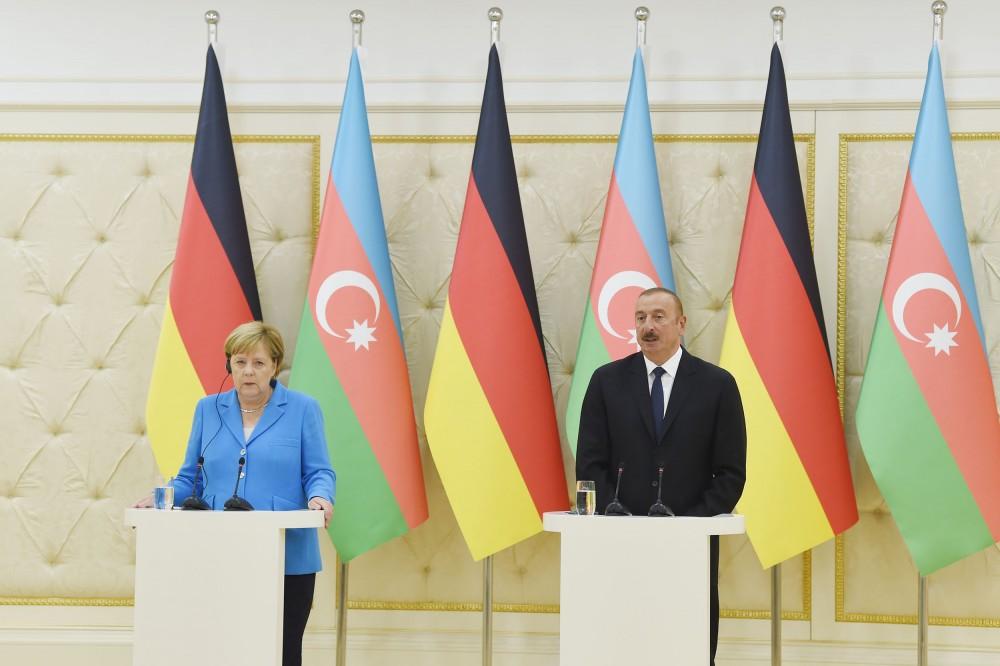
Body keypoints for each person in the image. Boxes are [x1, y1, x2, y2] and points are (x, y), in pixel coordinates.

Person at [135, 321, 335, 666]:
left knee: (282, 651)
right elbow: (190, 479)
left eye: (258, 363)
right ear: (229, 365)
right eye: (240, 362)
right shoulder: (207, 409)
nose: (248, 372)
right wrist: (162, 496)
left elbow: (319, 471)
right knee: (221, 648)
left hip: (286, 556)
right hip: (218, 551)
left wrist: (320, 496)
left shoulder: (303, 409)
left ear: (275, 366)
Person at [575, 287, 746, 664]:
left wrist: (688, 523)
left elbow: (731, 473)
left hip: (690, 541)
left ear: (681, 324)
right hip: (620, 539)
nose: (648, 327)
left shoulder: (717, 385)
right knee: (623, 640)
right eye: (640, 318)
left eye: (658, 317)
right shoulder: (606, 382)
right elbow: (590, 464)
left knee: (687, 644)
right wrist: (619, 517)